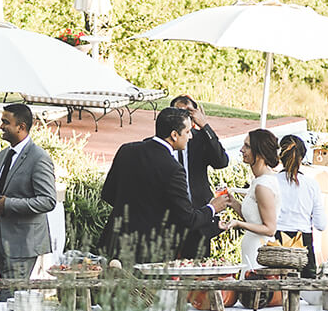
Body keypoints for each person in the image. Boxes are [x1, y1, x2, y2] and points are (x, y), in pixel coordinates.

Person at [97, 106, 232, 263]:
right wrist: (213, 208)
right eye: (188, 132)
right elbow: (187, 219)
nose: (191, 137)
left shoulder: (126, 150)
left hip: (115, 242)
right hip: (150, 251)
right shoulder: (173, 169)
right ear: (174, 135)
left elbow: (107, 194)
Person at [0, 104, 57, 300]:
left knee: (12, 298)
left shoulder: (39, 158)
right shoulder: (2, 156)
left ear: (21, 127)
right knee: (9, 294)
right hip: (1, 241)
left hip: (23, 243)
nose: (1, 126)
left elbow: (48, 200)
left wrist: (9, 205)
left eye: (5, 122)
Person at [170, 94, 231, 257]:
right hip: (171, 220)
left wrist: (204, 125)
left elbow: (221, 161)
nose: (182, 118)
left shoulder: (199, 140)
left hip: (199, 216)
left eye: (187, 114)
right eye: (178, 113)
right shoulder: (164, 144)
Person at [221, 129, 281, 269]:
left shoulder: (263, 186)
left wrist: (238, 224)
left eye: (247, 146)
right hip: (250, 250)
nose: (242, 150)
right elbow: (254, 219)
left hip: (258, 254)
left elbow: (270, 229)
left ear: (259, 153)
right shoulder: (258, 181)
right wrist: (233, 202)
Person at [274, 134, 327, 277]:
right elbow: (321, 224)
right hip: (303, 242)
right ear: (302, 157)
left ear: (280, 156)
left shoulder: (271, 181)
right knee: (306, 291)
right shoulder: (311, 185)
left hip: (276, 241)